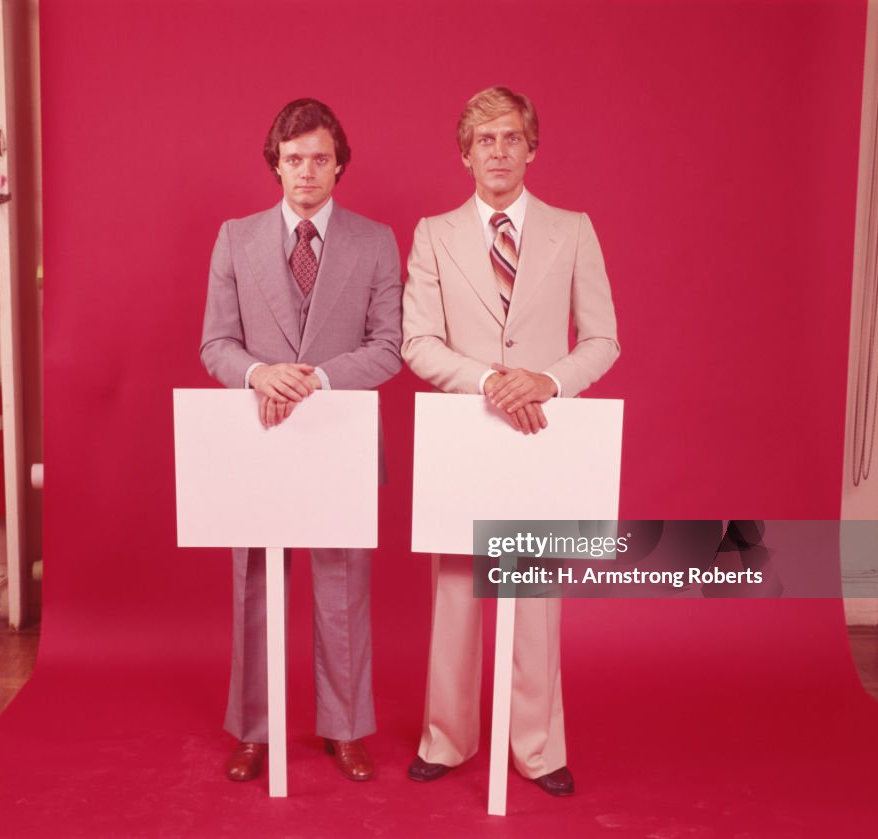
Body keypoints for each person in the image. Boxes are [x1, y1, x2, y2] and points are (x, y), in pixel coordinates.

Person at [401, 86, 620, 796]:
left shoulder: (573, 229)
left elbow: (602, 339)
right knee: (458, 591)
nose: (499, 151)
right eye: (485, 140)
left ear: (532, 147)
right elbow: (418, 341)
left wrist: (547, 383)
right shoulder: (434, 233)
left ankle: (537, 744)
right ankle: (448, 735)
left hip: (540, 431)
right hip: (465, 429)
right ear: (466, 154)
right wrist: (493, 380)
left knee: (533, 590)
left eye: (511, 138)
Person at [200, 98, 402, 783]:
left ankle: (344, 728)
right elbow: (216, 344)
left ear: (339, 164)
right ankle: (254, 730)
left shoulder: (375, 241)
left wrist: (312, 377)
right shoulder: (235, 238)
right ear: (275, 165)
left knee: (344, 584)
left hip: (339, 433)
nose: (306, 172)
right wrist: (260, 373)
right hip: (258, 434)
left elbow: (389, 348)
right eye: (294, 159)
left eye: (320, 158)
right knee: (254, 582)